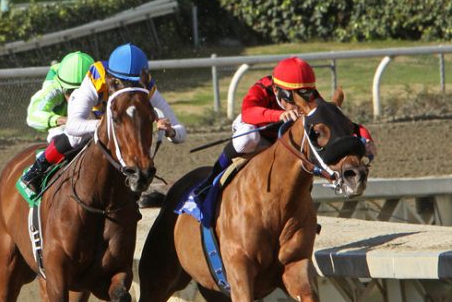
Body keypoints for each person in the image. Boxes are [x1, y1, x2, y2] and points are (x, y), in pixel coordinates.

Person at [20, 43, 186, 195]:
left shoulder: (146, 85)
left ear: (143, 78)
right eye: (122, 82)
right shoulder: (96, 77)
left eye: (134, 83)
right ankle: (38, 169)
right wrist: (107, 125)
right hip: (93, 114)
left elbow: (181, 132)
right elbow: (73, 126)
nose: (128, 88)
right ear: (111, 78)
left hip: (117, 118)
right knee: (76, 138)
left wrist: (170, 131)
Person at [207, 56, 376, 186]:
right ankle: (214, 175)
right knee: (247, 139)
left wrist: (366, 137)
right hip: (256, 131)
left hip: (280, 142)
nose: (298, 102)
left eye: (305, 94)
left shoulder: (311, 98)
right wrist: (278, 115)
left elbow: (335, 121)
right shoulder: (262, 88)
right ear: (276, 89)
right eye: (291, 96)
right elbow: (248, 112)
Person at [25, 51, 94, 142]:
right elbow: (33, 115)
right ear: (62, 86)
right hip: (62, 127)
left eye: (82, 93)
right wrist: (61, 120)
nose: (74, 98)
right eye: (70, 92)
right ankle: (44, 157)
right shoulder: (54, 88)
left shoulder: (101, 82)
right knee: (61, 135)